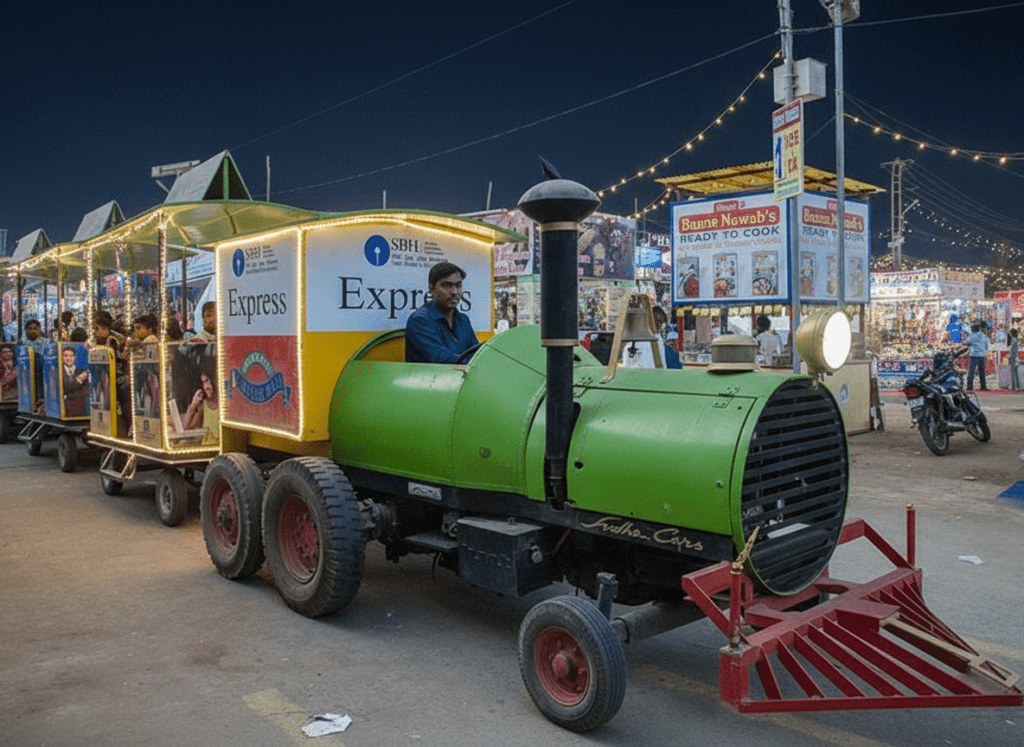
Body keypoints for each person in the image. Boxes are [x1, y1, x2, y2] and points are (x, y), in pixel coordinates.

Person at [405, 262, 479, 364]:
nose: (454, 292)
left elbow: (478, 353)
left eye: (458, 286)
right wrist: (477, 363)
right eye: (446, 285)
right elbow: (443, 359)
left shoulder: (463, 320)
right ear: (431, 289)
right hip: (431, 375)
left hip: (463, 373)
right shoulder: (419, 320)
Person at [184, 366, 220, 445]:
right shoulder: (203, 405)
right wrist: (193, 405)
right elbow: (187, 427)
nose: (206, 387)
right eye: (203, 383)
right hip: (207, 448)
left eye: (207, 381)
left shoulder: (223, 403)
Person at [61, 345, 89, 417]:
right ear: (62, 357)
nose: (68, 358)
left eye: (71, 356)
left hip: (79, 410)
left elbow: (86, 391)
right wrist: (79, 380)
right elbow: (65, 388)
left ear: (75, 357)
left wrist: (69, 395)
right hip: (65, 411)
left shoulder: (81, 372)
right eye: (65, 356)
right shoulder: (59, 373)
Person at [965, 322, 990, 391]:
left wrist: (971, 345)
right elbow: (987, 347)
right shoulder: (984, 336)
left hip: (974, 355)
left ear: (973, 330)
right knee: (982, 371)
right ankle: (983, 386)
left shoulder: (972, 336)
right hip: (982, 356)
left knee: (971, 371)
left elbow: (966, 342)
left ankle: (969, 387)